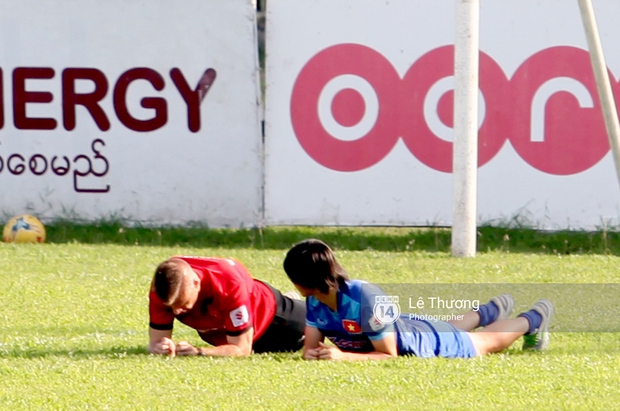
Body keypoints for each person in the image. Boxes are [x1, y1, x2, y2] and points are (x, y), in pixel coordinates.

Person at [283, 239, 555, 361]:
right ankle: (488, 311)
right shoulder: (315, 300)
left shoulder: (365, 299)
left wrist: (344, 357)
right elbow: (310, 349)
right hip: (404, 327)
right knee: (448, 328)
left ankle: (533, 319)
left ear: (305, 280)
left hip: (418, 341)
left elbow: (388, 356)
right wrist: (313, 354)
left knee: (482, 343)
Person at [148, 255, 306, 357]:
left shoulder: (228, 284)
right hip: (224, 327)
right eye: (171, 307)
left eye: (183, 305)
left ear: (196, 284)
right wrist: (161, 346)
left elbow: (242, 349)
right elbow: (156, 341)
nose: (176, 311)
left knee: (310, 327)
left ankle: (296, 301)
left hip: (273, 319)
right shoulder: (164, 285)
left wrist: (199, 352)